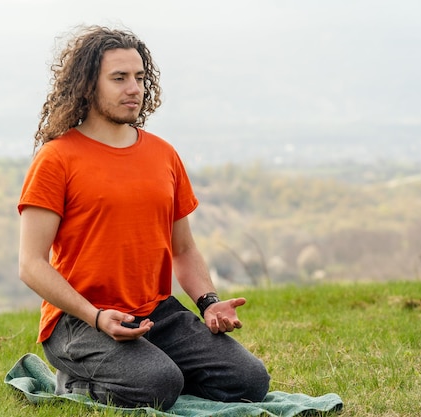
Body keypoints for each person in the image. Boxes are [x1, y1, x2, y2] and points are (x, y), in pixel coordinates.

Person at [17, 25, 270, 411]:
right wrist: (96, 316)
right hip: (78, 320)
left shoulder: (163, 155)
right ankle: (75, 382)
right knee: (158, 383)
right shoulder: (56, 158)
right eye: (118, 78)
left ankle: (142, 370)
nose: (133, 88)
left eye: (139, 77)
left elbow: (183, 248)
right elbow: (30, 265)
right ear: (88, 85)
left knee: (249, 380)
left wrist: (209, 303)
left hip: (154, 312)